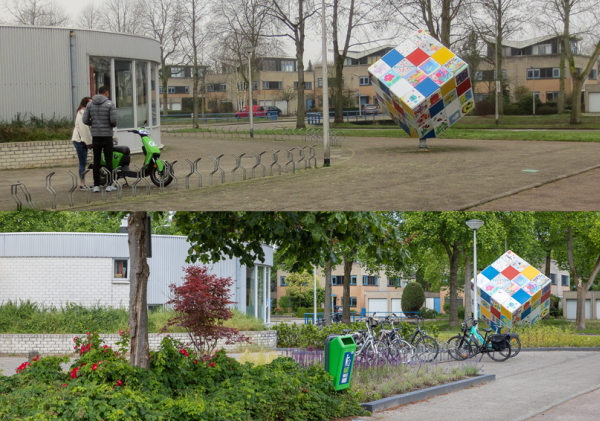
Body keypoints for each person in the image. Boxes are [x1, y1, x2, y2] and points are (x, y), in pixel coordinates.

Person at [82, 86, 118, 193]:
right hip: (107, 136)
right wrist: (109, 125)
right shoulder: (110, 104)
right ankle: (109, 184)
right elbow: (113, 121)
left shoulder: (89, 104)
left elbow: (85, 120)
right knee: (108, 160)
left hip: (96, 136)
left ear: (98, 93)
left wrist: (94, 124)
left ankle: (96, 185)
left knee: (96, 161)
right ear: (106, 93)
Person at [71, 97, 92, 190]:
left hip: (81, 140)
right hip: (80, 141)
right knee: (82, 162)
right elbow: (84, 130)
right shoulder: (82, 113)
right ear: (85, 104)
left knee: (83, 162)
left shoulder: (84, 112)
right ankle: (82, 183)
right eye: (90, 103)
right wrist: (89, 143)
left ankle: (83, 183)